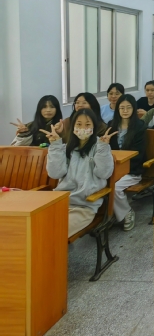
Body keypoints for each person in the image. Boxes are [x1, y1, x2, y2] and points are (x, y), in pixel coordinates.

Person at [45, 109, 115, 237]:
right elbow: (55, 174)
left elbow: (104, 174)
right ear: (73, 127)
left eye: (87, 124)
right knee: (37, 227)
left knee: (55, 232)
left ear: (94, 127)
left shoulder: (99, 146)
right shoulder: (67, 147)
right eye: (79, 124)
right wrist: (55, 146)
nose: (83, 128)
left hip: (84, 207)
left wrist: (103, 148)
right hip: (61, 202)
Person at [108, 94, 147, 231]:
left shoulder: (140, 127)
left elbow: (139, 154)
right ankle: (109, 215)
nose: (125, 111)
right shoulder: (111, 125)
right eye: (122, 108)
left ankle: (127, 212)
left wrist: (121, 166)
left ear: (134, 109)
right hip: (112, 168)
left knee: (115, 187)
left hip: (132, 170)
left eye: (128, 107)